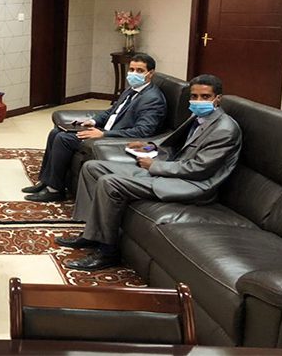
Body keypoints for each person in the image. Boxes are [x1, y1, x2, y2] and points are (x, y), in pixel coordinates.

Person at [56, 74, 241, 271]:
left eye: (205, 97)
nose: (198, 101)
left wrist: (154, 166)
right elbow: (176, 140)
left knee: (110, 183)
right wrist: (150, 145)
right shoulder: (199, 117)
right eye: (194, 96)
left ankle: (107, 252)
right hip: (172, 172)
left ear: (218, 99)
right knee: (92, 167)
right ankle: (91, 234)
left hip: (192, 185)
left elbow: (199, 169)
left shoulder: (224, 129)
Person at [24, 53, 167, 202]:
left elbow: (143, 131)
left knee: (63, 138)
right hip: (104, 130)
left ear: (150, 74)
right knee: (55, 132)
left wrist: (104, 135)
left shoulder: (152, 99)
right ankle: (46, 181)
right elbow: (111, 112)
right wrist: (93, 121)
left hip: (114, 138)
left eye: (139, 70)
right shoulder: (131, 90)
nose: (133, 74)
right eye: (131, 69)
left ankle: (55, 190)